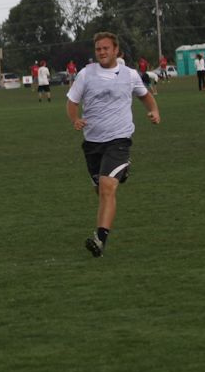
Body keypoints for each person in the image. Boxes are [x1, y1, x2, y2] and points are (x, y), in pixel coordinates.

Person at [66, 32, 160, 259]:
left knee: (108, 187)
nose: (102, 52)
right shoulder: (86, 74)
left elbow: (145, 95)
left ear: (116, 50)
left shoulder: (130, 74)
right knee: (101, 190)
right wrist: (75, 119)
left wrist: (154, 110)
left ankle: (100, 239)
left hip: (119, 139)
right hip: (93, 143)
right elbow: (72, 101)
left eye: (106, 48)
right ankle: (121, 171)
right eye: (98, 49)